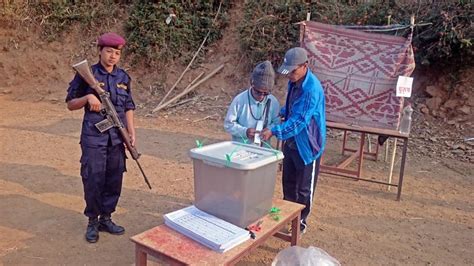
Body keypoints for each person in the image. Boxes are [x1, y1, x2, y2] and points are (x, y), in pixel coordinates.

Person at [65, 32, 136, 243]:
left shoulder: (123, 77)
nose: (113, 56)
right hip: (93, 137)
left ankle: (106, 218)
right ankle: (93, 221)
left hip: (117, 136)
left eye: (117, 53)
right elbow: (70, 103)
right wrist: (88, 97)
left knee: (115, 177)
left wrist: (131, 132)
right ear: (100, 52)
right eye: (109, 51)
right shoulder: (87, 74)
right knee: (94, 178)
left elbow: (129, 106)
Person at [261, 47, 326, 234]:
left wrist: (274, 130)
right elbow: (291, 108)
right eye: (288, 71)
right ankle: (288, 217)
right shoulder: (294, 81)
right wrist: (279, 113)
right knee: (288, 182)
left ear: (305, 66)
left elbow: (299, 121)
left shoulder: (311, 89)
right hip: (291, 141)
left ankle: (301, 222)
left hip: (308, 144)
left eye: (293, 70)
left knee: (304, 188)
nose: (289, 74)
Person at [224, 60, 280, 145]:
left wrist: (270, 130)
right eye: (258, 92)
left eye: (266, 93)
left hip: (263, 150)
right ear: (252, 84)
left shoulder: (273, 102)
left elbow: (277, 122)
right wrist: (245, 132)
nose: (261, 96)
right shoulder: (239, 100)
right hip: (241, 149)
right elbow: (228, 125)